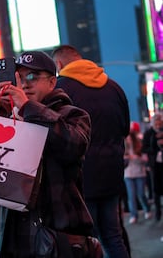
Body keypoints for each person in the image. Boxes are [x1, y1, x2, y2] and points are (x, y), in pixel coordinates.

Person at [0, 51, 98, 257]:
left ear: (52, 82)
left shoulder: (72, 114)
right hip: (12, 235)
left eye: (33, 77)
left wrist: (28, 107)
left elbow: (73, 145)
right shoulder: (4, 119)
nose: (25, 84)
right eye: (20, 78)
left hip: (55, 234)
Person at [52, 45, 130, 258]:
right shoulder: (114, 87)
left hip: (81, 179)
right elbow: (125, 129)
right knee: (113, 236)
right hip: (113, 174)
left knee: (88, 242)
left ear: (59, 65)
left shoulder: (61, 89)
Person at [124, 128, 151, 224]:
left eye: (129, 137)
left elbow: (145, 160)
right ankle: (133, 215)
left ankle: (147, 209)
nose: (128, 139)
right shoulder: (123, 147)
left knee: (141, 194)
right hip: (128, 174)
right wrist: (125, 158)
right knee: (131, 196)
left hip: (140, 172)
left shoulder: (139, 145)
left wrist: (136, 157)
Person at [142, 113, 163, 221]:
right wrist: (154, 148)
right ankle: (158, 212)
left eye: (160, 122)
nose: (158, 124)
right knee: (156, 188)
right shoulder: (148, 133)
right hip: (154, 164)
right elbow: (144, 148)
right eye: (156, 122)